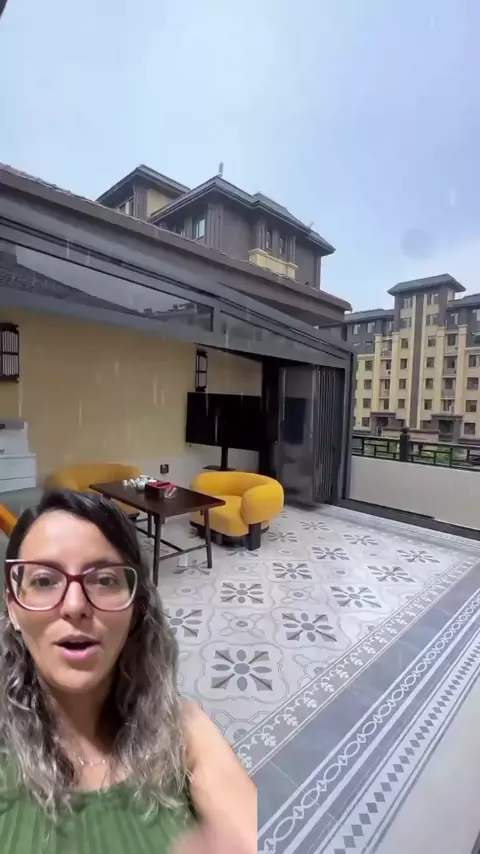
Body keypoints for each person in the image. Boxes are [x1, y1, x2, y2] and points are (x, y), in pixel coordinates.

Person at [0, 489, 256, 853]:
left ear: (136, 606)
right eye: (44, 581)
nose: (74, 605)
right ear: (13, 607)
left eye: (105, 580)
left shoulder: (181, 729)